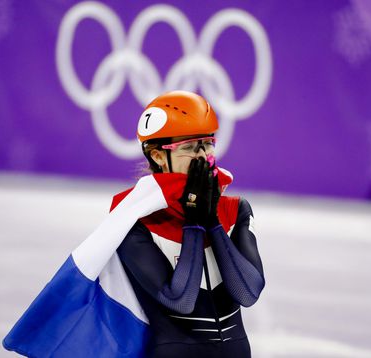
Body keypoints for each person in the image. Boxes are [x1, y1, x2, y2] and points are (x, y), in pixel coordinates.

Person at [114, 90, 265, 357]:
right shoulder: (133, 216)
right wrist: (194, 226)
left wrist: (213, 223)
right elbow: (180, 300)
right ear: (158, 156)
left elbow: (248, 292)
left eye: (207, 144)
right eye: (188, 147)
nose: (202, 156)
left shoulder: (235, 209)